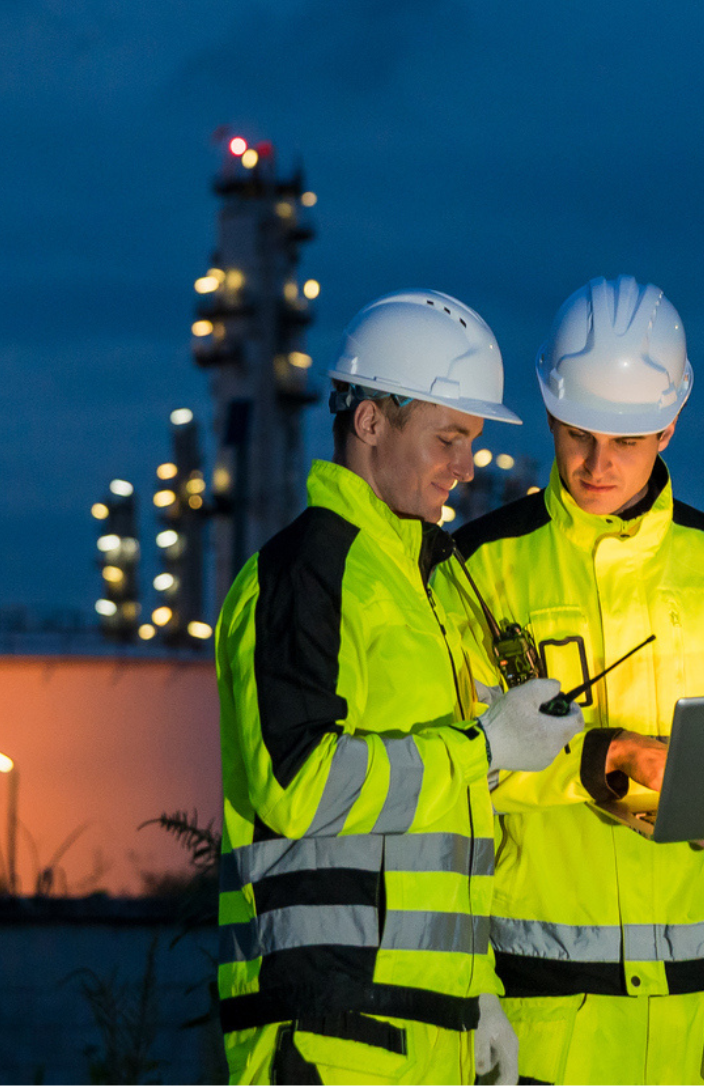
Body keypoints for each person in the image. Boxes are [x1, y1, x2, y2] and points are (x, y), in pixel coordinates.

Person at [453, 276, 704, 1084]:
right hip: (555, 1025)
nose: (596, 464)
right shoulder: (477, 569)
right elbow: (459, 768)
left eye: (626, 440)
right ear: (549, 412)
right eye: (579, 434)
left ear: (671, 424)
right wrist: (601, 760)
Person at [217, 289, 585, 1085]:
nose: (466, 465)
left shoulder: (428, 589)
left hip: (426, 1031)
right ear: (371, 422)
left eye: (473, 441)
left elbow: (433, 819)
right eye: (448, 437)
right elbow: (300, 786)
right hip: (325, 1037)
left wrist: (478, 995)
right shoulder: (306, 573)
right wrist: (483, 746)